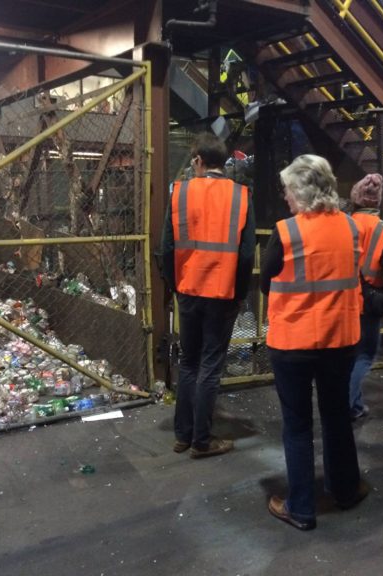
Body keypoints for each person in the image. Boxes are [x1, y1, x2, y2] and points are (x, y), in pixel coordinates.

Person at [261, 154, 368, 530]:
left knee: (298, 426)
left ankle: (302, 507)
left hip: (293, 343)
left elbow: (266, 279)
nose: (286, 197)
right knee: (337, 416)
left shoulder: (287, 231)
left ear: (303, 191)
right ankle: (345, 489)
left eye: (289, 189)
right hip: (339, 340)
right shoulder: (352, 228)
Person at [160, 132, 256, 458]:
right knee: (210, 366)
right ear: (223, 161)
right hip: (223, 292)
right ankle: (202, 440)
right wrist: (240, 292)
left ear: (198, 160)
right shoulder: (242, 196)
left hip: (188, 289)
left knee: (188, 363)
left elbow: (166, 248)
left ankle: (182, 436)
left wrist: (176, 285)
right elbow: (245, 255)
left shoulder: (180, 193)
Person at [348, 173, 383, 420]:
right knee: (363, 356)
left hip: (339, 301)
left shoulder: (342, 223)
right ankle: (347, 405)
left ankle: (355, 404)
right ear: (377, 201)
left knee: (347, 358)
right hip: (367, 305)